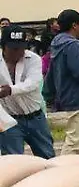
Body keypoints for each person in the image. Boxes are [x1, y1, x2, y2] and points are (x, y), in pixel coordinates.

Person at [44, 9, 79, 155]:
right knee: (76, 141)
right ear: (74, 25)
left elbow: (51, 72)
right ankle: (63, 167)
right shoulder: (72, 45)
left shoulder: (57, 44)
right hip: (78, 95)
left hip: (67, 94)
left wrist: (49, 93)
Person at [0, 26, 55, 158]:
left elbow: (32, 83)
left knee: (47, 157)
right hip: (9, 119)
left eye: (21, 48)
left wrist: (10, 90)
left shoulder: (33, 59)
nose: (18, 52)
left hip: (35, 117)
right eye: (13, 49)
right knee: (13, 160)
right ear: (3, 47)